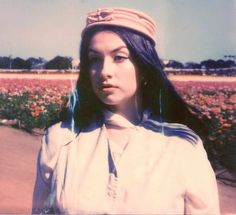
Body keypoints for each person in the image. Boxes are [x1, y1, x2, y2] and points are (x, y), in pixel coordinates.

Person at [32, 7, 220, 214]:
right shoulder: (60, 139)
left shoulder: (182, 145)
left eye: (119, 57)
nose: (104, 71)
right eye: (94, 59)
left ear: (144, 67)